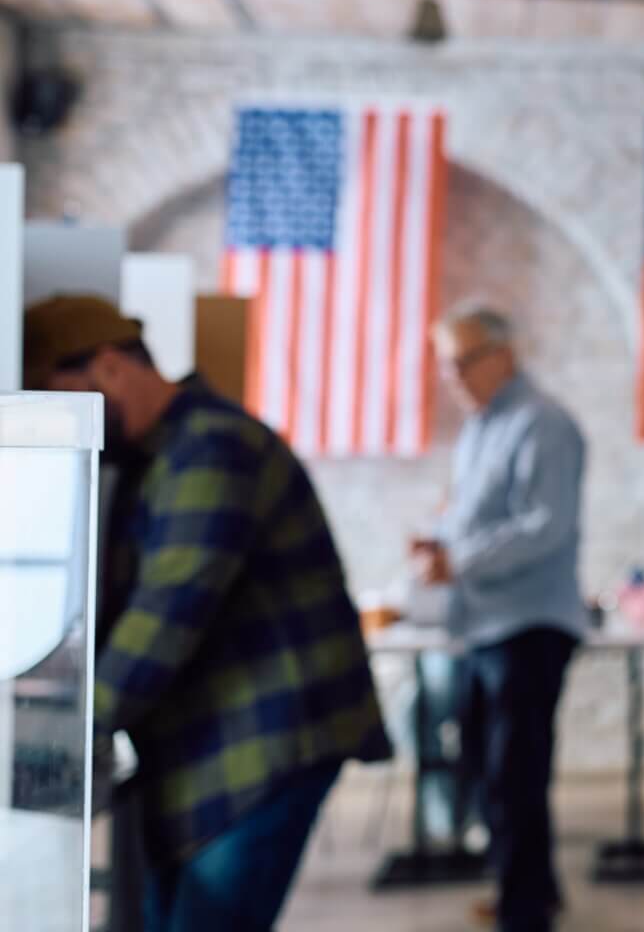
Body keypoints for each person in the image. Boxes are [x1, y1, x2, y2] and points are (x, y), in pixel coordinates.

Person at [23, 294, 392, 932]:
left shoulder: (211, 449)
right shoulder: (161, 455)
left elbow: (166, 612)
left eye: (63, 395)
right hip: (215, 742)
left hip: (261, 742)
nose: (63, 420)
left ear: (109, 368)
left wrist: (59, 738)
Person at [416, 303, 588, 932]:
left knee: (514, 774)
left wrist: (457, 558)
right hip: (483, 625)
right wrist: (437, 541)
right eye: (445, 366)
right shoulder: (479, 429)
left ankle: (524, 911)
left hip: (529, 627)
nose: (453, 377)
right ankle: (530, 887)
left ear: (504, 356)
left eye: (464, 362)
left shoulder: (543, 424)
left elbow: (547, 525)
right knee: (488, 770)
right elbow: (469, 515)